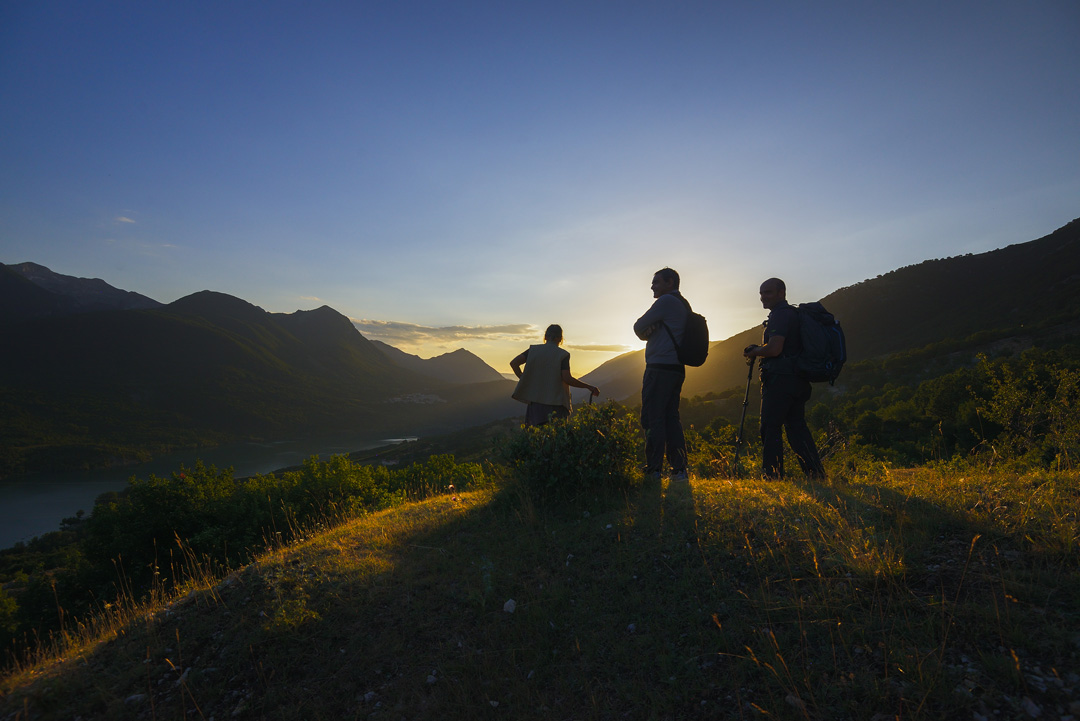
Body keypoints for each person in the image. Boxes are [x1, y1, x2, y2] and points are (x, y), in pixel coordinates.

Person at [742, 278, 826, 480]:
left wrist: (754, 352)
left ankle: (773, 476)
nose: (763, 297)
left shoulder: (780, 315)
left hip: (780, 380)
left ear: (781, 293)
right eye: (761, 293)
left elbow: (774, 349)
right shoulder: (794, 314)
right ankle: (815, 474)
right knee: (796, 427)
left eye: (768, 292)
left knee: (770, 427)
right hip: (799, 379)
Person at [633, 267, 689, 481]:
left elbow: (638, 327)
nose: (652, 286)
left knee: (652, 417)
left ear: (670, 283)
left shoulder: (666, 302)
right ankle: (679, 469)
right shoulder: (683, 303)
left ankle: (654, 468)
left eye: (656, 282)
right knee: (671, 418)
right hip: (676, 367)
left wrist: (650, 330)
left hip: (659, 366)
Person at [510, 324, 599, 426]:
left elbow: (514, 363)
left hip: (535, 404)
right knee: (556, 437)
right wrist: (589, 387)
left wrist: (523, 379)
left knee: (536, 437)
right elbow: (567, 379)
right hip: (556, 404)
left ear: (545, 337)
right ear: (560, 339)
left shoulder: (533, 350)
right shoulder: (563, 355)